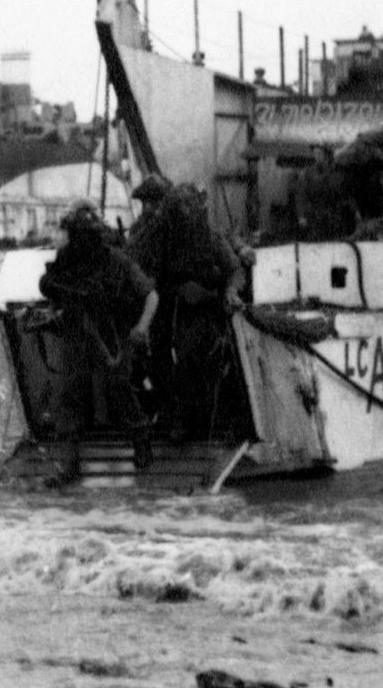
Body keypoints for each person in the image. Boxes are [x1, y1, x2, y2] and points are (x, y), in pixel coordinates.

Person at [39, 203, 158, 475]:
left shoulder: (117, 261)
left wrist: (141, 328)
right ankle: (69, 461)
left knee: (119, 383)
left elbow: (150, 295)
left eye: (84, 235)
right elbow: (48, 285)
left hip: (115, 331)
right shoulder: (66, 259)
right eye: (75, 234)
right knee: (69, 389)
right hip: (80, 330)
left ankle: (141, 439)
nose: (79, 241)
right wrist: (55, 290)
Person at [126, 183, 245, 441]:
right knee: (156, 358)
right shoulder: (159, 234)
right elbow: (148, 273)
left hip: (200, 307)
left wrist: (228, 292)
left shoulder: (208, 236)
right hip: (167, 303)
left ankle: (186, 419)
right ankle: (167, 413)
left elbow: (234, 269)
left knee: (190, 354)